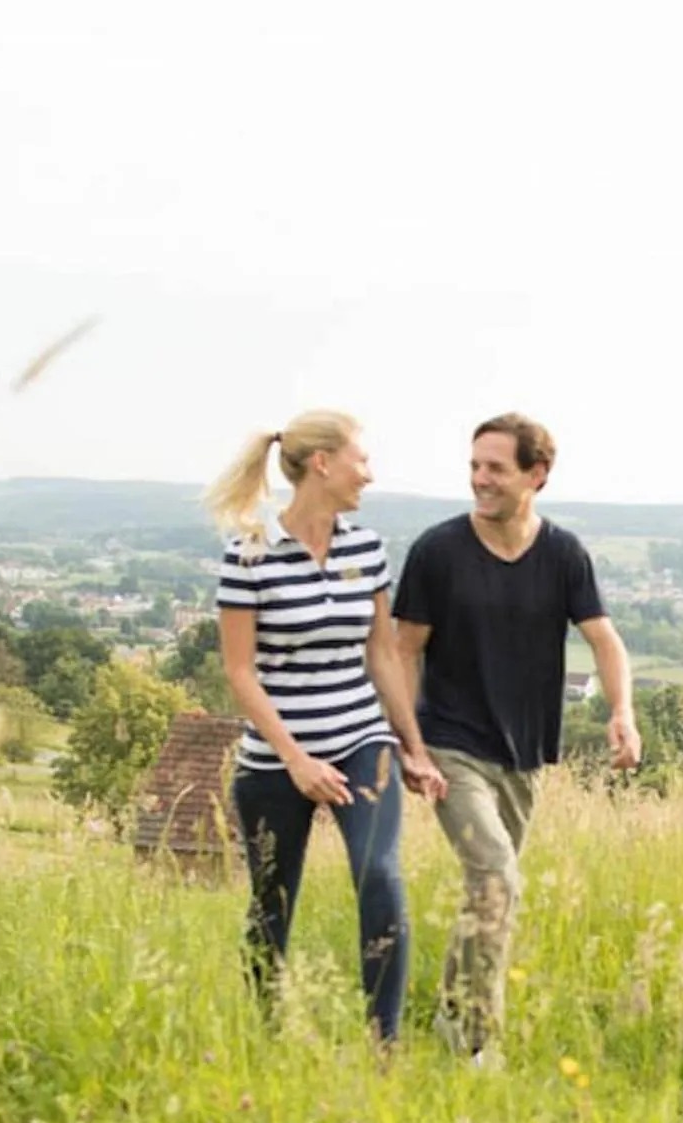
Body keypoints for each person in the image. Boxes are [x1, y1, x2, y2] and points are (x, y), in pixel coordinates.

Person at [391, 412, 640, 1064]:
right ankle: (479, 1040)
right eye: (474, 466)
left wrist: (623, 712)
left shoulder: (562, 554)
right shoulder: (437, 551)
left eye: (495, 468)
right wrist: (409, 743)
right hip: (449, 744)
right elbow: (401, 650)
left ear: (536, 475)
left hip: (524, 754)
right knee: (497, 873)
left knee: (487, 886)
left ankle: (448, 1014)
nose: (479, 479)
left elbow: (604, 640)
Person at [205, 410, 448, 1045]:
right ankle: (266, 1038)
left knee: (381, 876)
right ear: (323, 464)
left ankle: (383, 1045)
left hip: (361, 740)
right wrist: (295, 760)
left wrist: (412, 748)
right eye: (360, 460)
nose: (368, 473)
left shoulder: (365, 548)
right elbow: (240, 672)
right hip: (276, 761)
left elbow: (383, 654)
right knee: (272, 901)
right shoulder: (249, 555)